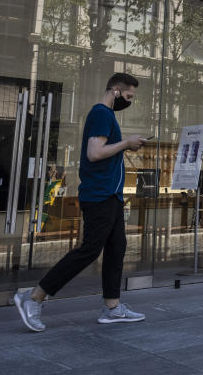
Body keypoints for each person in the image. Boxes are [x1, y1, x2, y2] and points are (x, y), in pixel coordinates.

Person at [13, 73, 148, 332]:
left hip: (111, 196)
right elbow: (94, 153)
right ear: (116, 91)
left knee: (117, 247)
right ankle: (34, 297)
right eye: (129, 97)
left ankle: (112, 308)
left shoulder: (107, 116)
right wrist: (126, 143)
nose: (129, 102)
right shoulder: (101, 114)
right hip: (99, 195)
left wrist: (126, 145)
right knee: (89, 250)